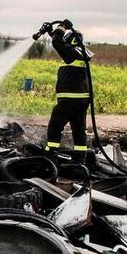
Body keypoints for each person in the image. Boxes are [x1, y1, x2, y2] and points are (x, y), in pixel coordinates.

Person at [40, 19, 92, 164]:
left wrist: (61, 26)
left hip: (68, 100)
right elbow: (59, 43)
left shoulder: (72, 53)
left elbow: (57, 42)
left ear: (71, 41)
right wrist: (51, 31)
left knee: (55, 127)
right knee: (78, 130)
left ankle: (50, 156)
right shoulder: (78, 53)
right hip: (81, 101)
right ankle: (79, 161)